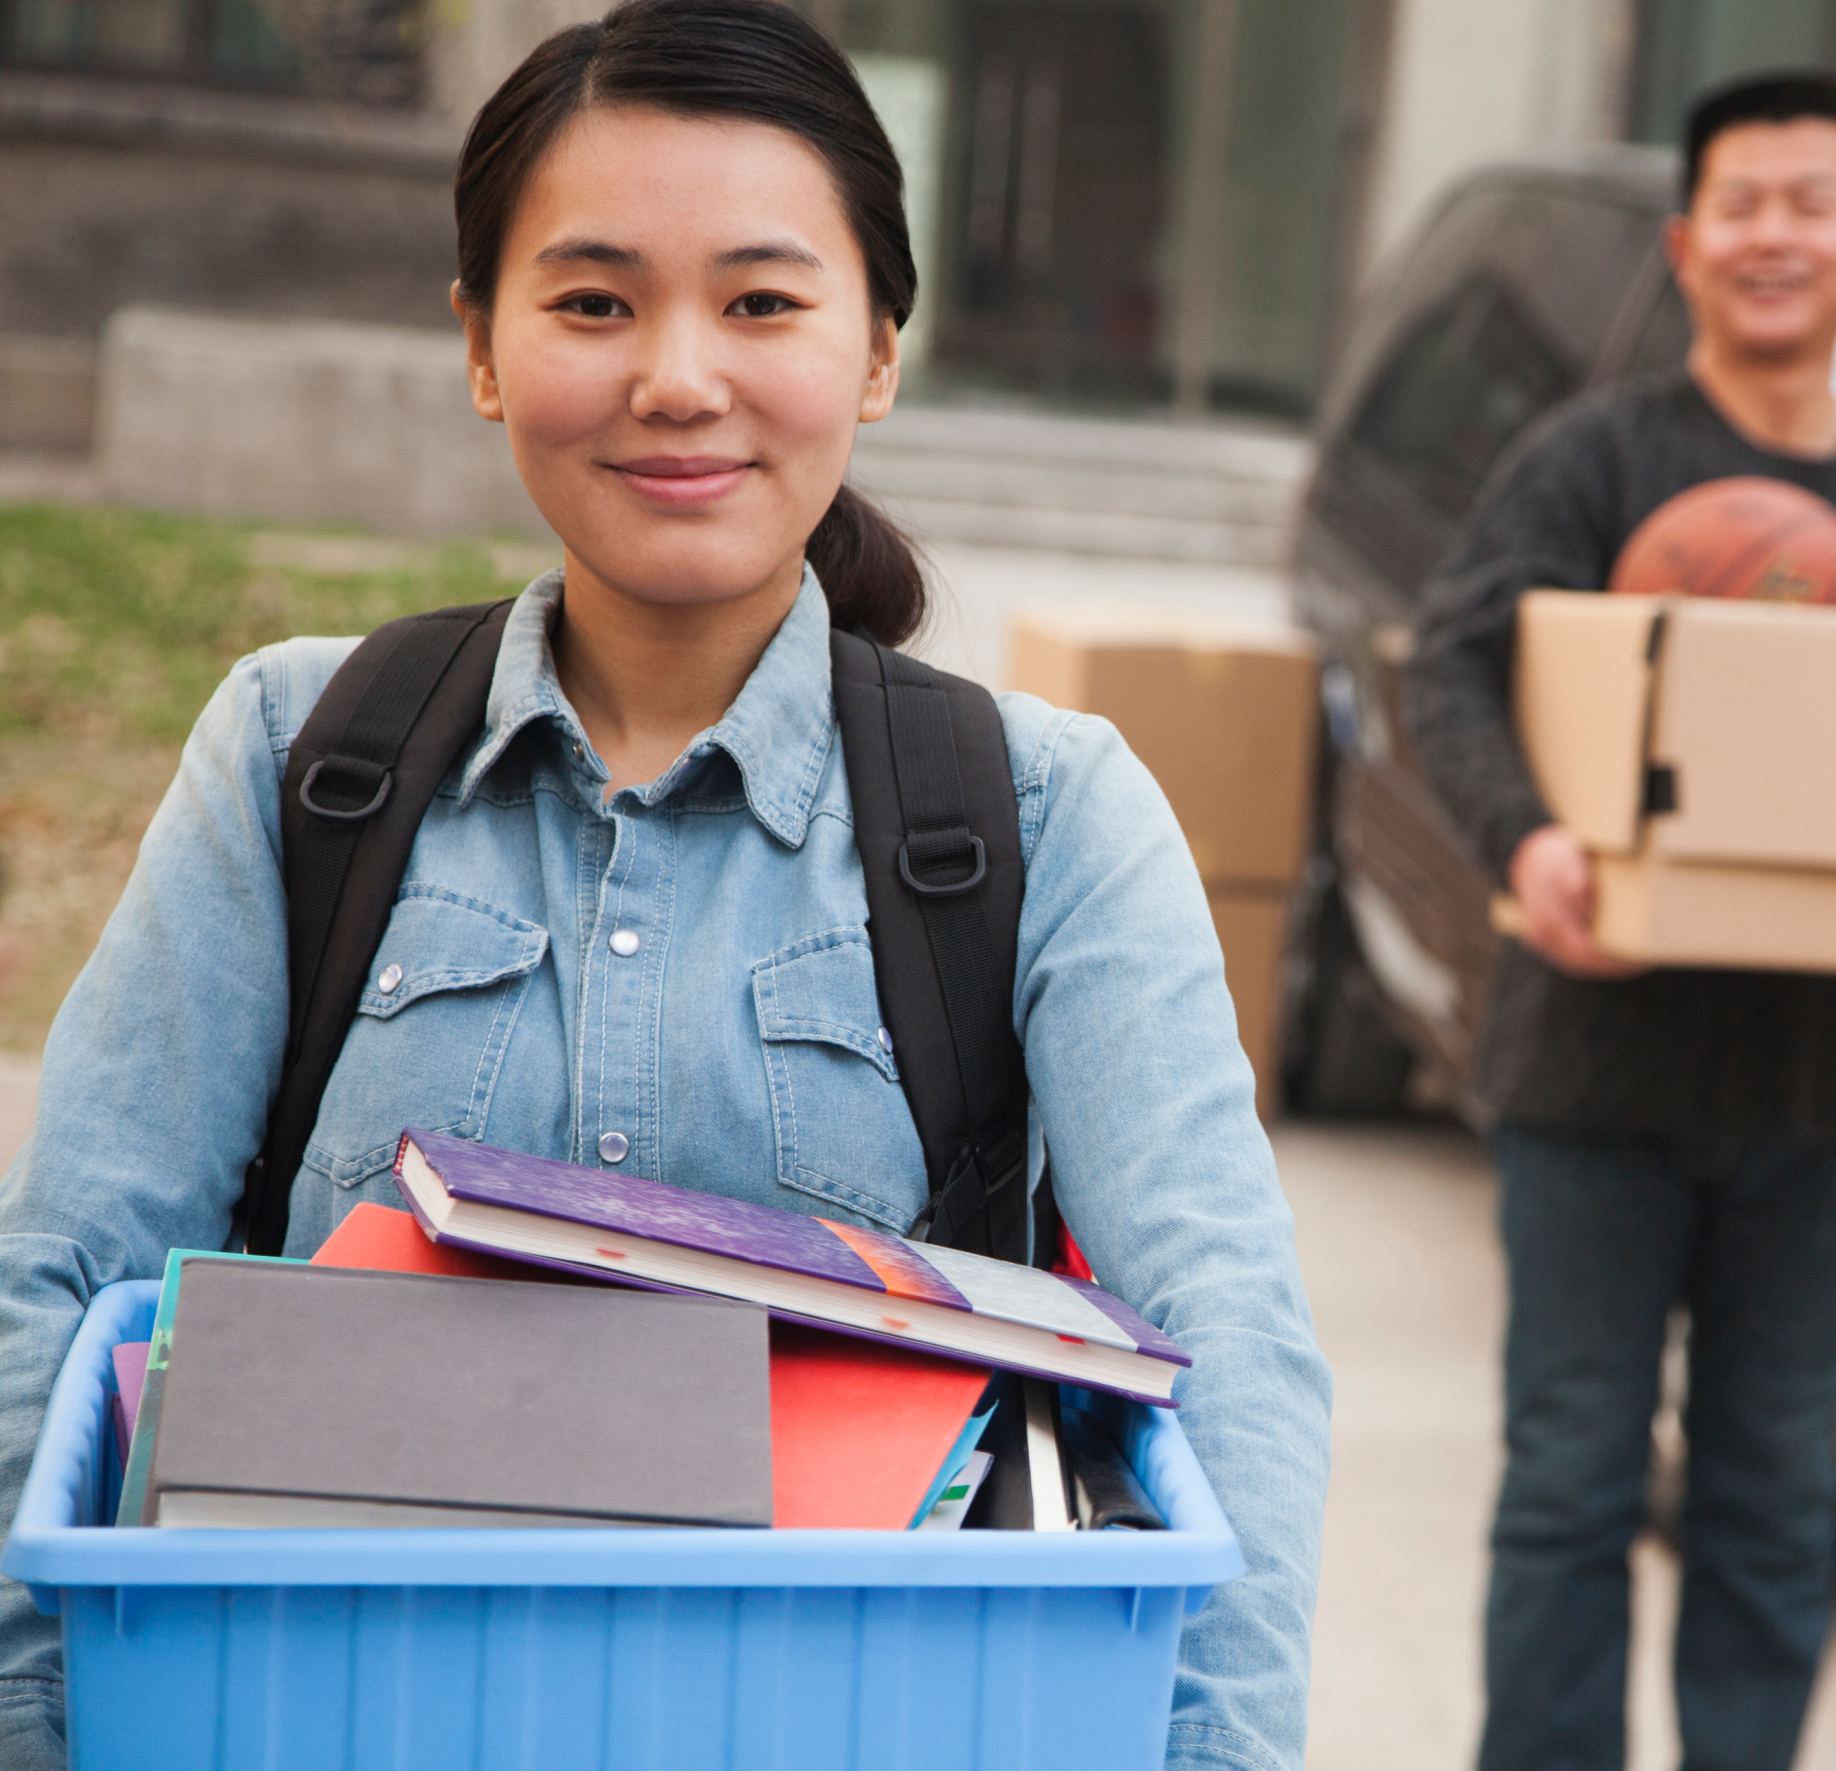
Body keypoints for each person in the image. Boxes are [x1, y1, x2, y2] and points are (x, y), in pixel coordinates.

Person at [0, 5, 1329, 1767]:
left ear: (877, 352)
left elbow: (1221, 1340)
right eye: (594, 299)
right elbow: (69, 1280)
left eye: (764, 301)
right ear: (482, 343)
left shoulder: (1040, 812)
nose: (677, 377)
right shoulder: (296, 755)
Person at [1403, 70, 1836, 1771]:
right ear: (1684, 244)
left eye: (1809, 202)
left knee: (1771, 1500)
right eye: (1738, 204)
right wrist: (1526, 846)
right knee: (1572, 1485)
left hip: (1817, 1091)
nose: (1772, 237)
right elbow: (1452, 664)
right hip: (1593, 1067)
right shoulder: (1593, 461)